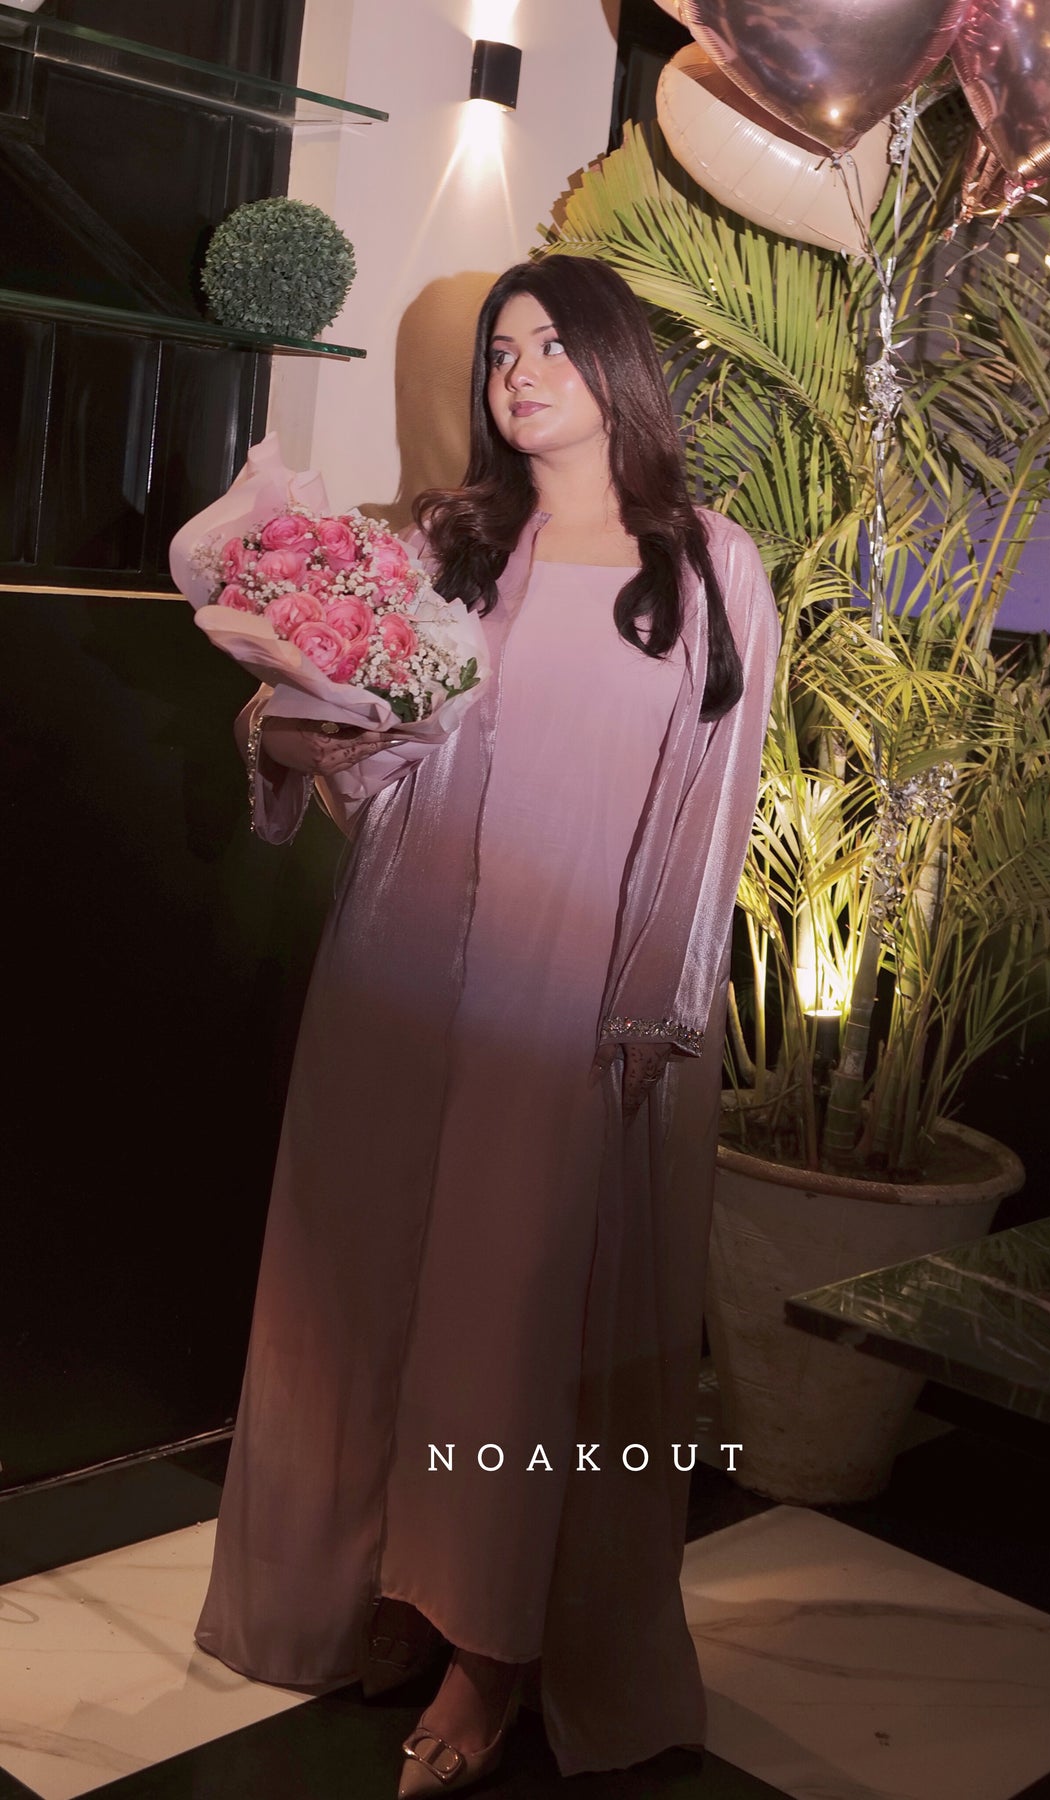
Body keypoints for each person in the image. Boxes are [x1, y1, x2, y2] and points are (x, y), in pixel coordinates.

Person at [193, 254, 780, 1794]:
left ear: (620, 363)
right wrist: (290, 729)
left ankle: (496, 1646)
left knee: (510, 1326)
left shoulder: (708, 563)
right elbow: (359, 749)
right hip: (394, 971)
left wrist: (652, 1018)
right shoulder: (443, 547)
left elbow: (706, 816)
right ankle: (387, 1581)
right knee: (369, 1288)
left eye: (553, 346)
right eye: (502, 353)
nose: (521, 375)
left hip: (567, 1006)